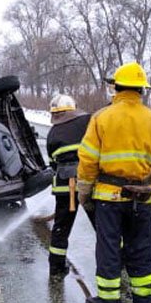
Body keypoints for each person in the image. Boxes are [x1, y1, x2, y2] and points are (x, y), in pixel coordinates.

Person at [76, 61, 151, 303]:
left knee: (108, 247)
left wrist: (84, 193)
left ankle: (109, 299)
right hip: (142, 197)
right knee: (141, 246)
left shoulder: (101, 118)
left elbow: (88, 160)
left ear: (116, 88)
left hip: (109, 199)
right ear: (142, 90)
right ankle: (144, 296)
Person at [46, 94, 95, 277]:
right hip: (87, 183)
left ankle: (56, 268)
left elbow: (53, 163)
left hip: (64, 187)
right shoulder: (88, 121)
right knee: (104, 226)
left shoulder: (52, 134)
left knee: (61, 228)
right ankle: (119, 261)